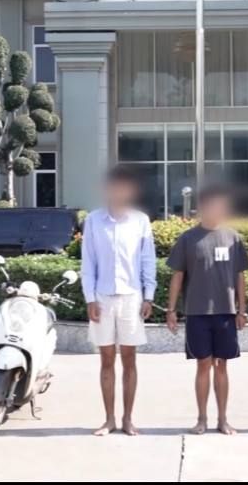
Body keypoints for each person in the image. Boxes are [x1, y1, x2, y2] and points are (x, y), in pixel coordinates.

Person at [166, 186, 248, 435]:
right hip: (197, 312)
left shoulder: (233, 237)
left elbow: (240, 276)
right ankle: (201, 419)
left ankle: (223, 419)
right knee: (203, 364)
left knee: (222, 365)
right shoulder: (188, 238)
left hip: (226, 312)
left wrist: (242, 310)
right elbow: (178, 275)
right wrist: (171, 309)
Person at [79, 165, 156, 436]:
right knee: (107, 359)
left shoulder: (140, 221)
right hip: (102, 298)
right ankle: (109, 419)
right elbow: (88, 262)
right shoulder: (94, 220)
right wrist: (90, 298)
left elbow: (147, 260)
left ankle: (128, 419)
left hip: (131, 297)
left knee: (130, 359)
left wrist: (149, 295)